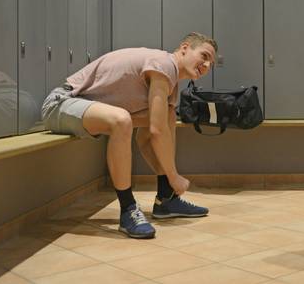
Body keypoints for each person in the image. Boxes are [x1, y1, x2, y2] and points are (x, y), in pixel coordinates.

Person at [41, 32, 217, 239]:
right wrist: (174, 176)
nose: (206, 66)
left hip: (89, 111)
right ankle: (128, 209)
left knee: (168, 114)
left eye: (211, 63)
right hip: (60, 104)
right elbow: (157, 132)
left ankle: (166, 198)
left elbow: (146, 138)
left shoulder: (171, 81)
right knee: (122, 120)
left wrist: (171, 178)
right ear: (185, 48)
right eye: (204, 56)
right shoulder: (164, 65)